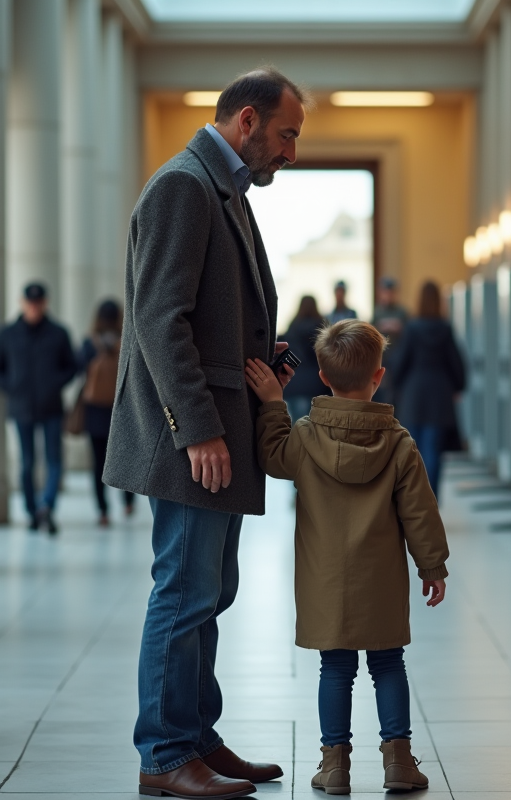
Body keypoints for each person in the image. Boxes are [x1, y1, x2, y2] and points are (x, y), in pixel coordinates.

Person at [102, 67, 308, 800]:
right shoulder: (183, 187)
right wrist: (198, 429)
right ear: (247, 121)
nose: (291, 151)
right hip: (192, 439)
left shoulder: (222, 190)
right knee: (184, 591)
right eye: (286, 134)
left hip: (219, 424)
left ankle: (195, 735)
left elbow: (214, 316)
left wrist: (260, 370)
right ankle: (163, 754)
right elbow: (160, 321)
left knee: (211, 592)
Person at [243, 319, 449, 795]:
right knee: (388, 665)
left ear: (323, 376)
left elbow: (272, 457)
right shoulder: (398, 442)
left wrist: (273, 402)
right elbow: (420, 511)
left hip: (326, 581)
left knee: (335, 669)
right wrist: (432, 565)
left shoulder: (305, 437)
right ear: (378, 377)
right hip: (381, 581)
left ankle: (334, 766)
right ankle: (399, 763)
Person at [0, 282, 76, 535]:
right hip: (21, 407)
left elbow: (72, 365)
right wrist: (11, 387)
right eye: (30, 302)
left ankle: (46, 506)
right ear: (22, 302)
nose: (34, 307)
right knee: (27, 463)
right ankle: (31, 512)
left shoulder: (58, 333)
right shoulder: (7, 334)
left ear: (45, 303)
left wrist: (55, 383)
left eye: (38, 303)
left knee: (53, 460)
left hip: (52, 407)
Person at [390, 281, 466, 499]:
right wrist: (458, 386)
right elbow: (457, 363)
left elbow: (401, 363)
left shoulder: (411, 329)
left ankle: (415, 501)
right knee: (434, 451)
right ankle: (431, 501)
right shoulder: (445, 328)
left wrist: (395, 386)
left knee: (414, 451)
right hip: (439, 397)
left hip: (414, 397)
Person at [77, 299, 135, 526]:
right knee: (126, 459)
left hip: (94, 413)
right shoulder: (128, 340)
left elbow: (80, 368)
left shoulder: (89, 344)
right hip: (122, 409)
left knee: (98, 462)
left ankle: (102, 510)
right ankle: (128, 501)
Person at [280, 295, 329, 422]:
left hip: (293, 384)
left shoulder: (292, 327)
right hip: (317, 384)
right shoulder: (322, 328)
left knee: (297, 428)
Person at [371, 276, 408, 407]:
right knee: (382, 393)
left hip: (399, 357)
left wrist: (398, 327)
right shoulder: (377, 312)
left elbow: (409, 333)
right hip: (382, 358)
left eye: (391, 291)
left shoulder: (402, 311)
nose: (389, 295)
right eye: (386, 291)